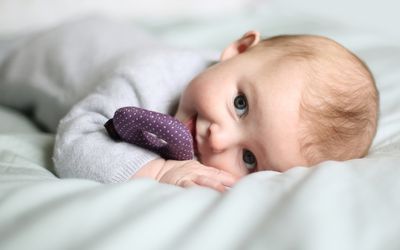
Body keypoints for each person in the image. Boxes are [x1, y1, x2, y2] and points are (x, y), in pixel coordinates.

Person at [0, 18, 378, 192]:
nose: (218, 138)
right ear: (237, 50)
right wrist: (159, 172)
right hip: (42, 52)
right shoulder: (146, 78)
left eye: (249, 159)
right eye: (241, 104)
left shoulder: (231, 79)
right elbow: (76, 142)